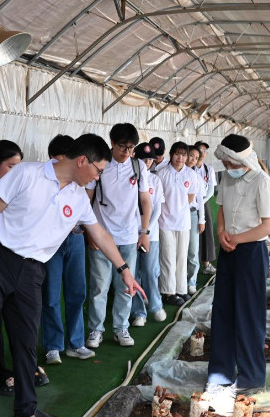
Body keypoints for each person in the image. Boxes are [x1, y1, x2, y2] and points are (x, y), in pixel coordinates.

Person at [0, 134, 146, 417]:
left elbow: (100, 234)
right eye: (98, 170)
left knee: (26, 341)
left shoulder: (78, 196)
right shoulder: (28, 173)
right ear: (82, 161)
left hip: (32, 271)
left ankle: (26, 408)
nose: (98, 176)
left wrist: (124, 270)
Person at [0, 141, 51, 396]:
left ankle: (25, 369)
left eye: (18, 166)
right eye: (10, 166)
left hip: (12, 265)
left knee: (16, 322)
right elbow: (0, 230)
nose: (15, 171)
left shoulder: (6, 188)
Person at [204, 134, 270, 417]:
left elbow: (268, 226)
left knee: (248, 314)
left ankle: (251, 376)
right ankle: (220, 373)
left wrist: (238, 239)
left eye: (228, 161)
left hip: (251, 252)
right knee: (222, 311)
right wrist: (222, 234)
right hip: (230, 249)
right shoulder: (228, 179)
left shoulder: (262, 181)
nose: (225, 165)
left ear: (240, 160)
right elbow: (221, 210)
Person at [85, 123, 152, 348]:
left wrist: (144, 232)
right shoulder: (100, 164)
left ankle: (121, 327)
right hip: (101, 234)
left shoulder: (138, 166)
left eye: (131, 148)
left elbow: (145, 200)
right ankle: (96, 329)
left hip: (129, 235)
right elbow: (88, 196)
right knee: (99, 286)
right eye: (123, 147)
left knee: (127, 286)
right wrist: (89, 232)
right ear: (112, 142)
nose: (127, 153)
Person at [41, 135, 95, 365]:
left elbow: (90, 220)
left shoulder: (78, 187)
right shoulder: (41, 181)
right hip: (50, 243)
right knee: (51, 295)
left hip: (75, 238)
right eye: (56, 161)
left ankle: (76, 343)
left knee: (77, 292)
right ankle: (53, 346)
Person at [129, 142, 167, 326]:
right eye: (143, 160)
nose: (147, 163)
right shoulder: (128, 179)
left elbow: (157, 208)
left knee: (150, 271)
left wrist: (146, 230)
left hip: (150, 235)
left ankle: (156, 305)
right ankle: (138, 312)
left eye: (150, 159)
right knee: (133, 273)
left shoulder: (155, 180)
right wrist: (135, 231)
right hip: (129, 235)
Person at [156, 141, 198, 306]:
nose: (180, 158)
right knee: (168, 258)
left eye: (183, 155)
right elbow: (158, 200)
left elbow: (191, 196)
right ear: (171, 155)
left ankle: (181, 289)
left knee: (182, 257)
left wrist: (180, 209)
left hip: (183, 222)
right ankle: (168, 292)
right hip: (165, 222)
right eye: (177, 154)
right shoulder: (161, 173)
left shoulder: (191, 174)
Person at [194, 141, 218, 275]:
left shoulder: (208, 169)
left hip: (204, 202)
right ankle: (193, 264)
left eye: (204, 151)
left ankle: (206, 263)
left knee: (206, 231)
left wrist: (201, 202)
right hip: (190, 204)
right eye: (200, 150)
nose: (202, 153)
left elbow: (210, 190)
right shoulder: (189, 168)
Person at [185, 145, 206, 295]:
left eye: (196, 158)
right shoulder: (172, 172)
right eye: (191, 156)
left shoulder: (196, 176)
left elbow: (200, 199)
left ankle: (191, 282)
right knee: (177, 252)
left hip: (192, 214)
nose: (193, 159)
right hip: (174, 215)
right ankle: (177, 283)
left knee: (193, 250)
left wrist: (201, 219)